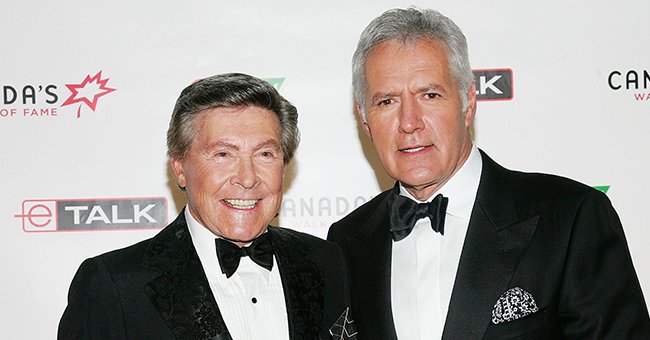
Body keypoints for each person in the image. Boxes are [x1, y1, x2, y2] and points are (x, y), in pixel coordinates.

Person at [327, 7, 650, 339]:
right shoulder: (345, 244)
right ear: (365, 120)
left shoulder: (571, 219)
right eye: (387, 102)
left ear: (468, 103)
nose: (410, 122)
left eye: (430, 95)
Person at [59, 73, 355, 340]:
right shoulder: (114, 287)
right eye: (223, 154)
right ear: (180, 168)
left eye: (265, 154)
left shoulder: (326, 262)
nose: (247, 178)